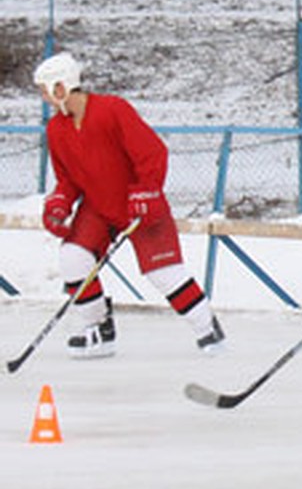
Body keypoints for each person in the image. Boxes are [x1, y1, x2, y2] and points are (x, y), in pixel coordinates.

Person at [34, 52, 224, 359]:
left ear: (61, 87)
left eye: (44, 89)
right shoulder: (57, 130)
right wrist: (58, 204)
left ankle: (207, 329)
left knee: (163, 274)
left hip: (140, 204)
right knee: (73, 257)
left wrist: (146, 192)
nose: (43, 97)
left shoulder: (112, 110)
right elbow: (67, 179)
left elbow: (152, 153)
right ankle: (98, 329)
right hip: (99, 206)